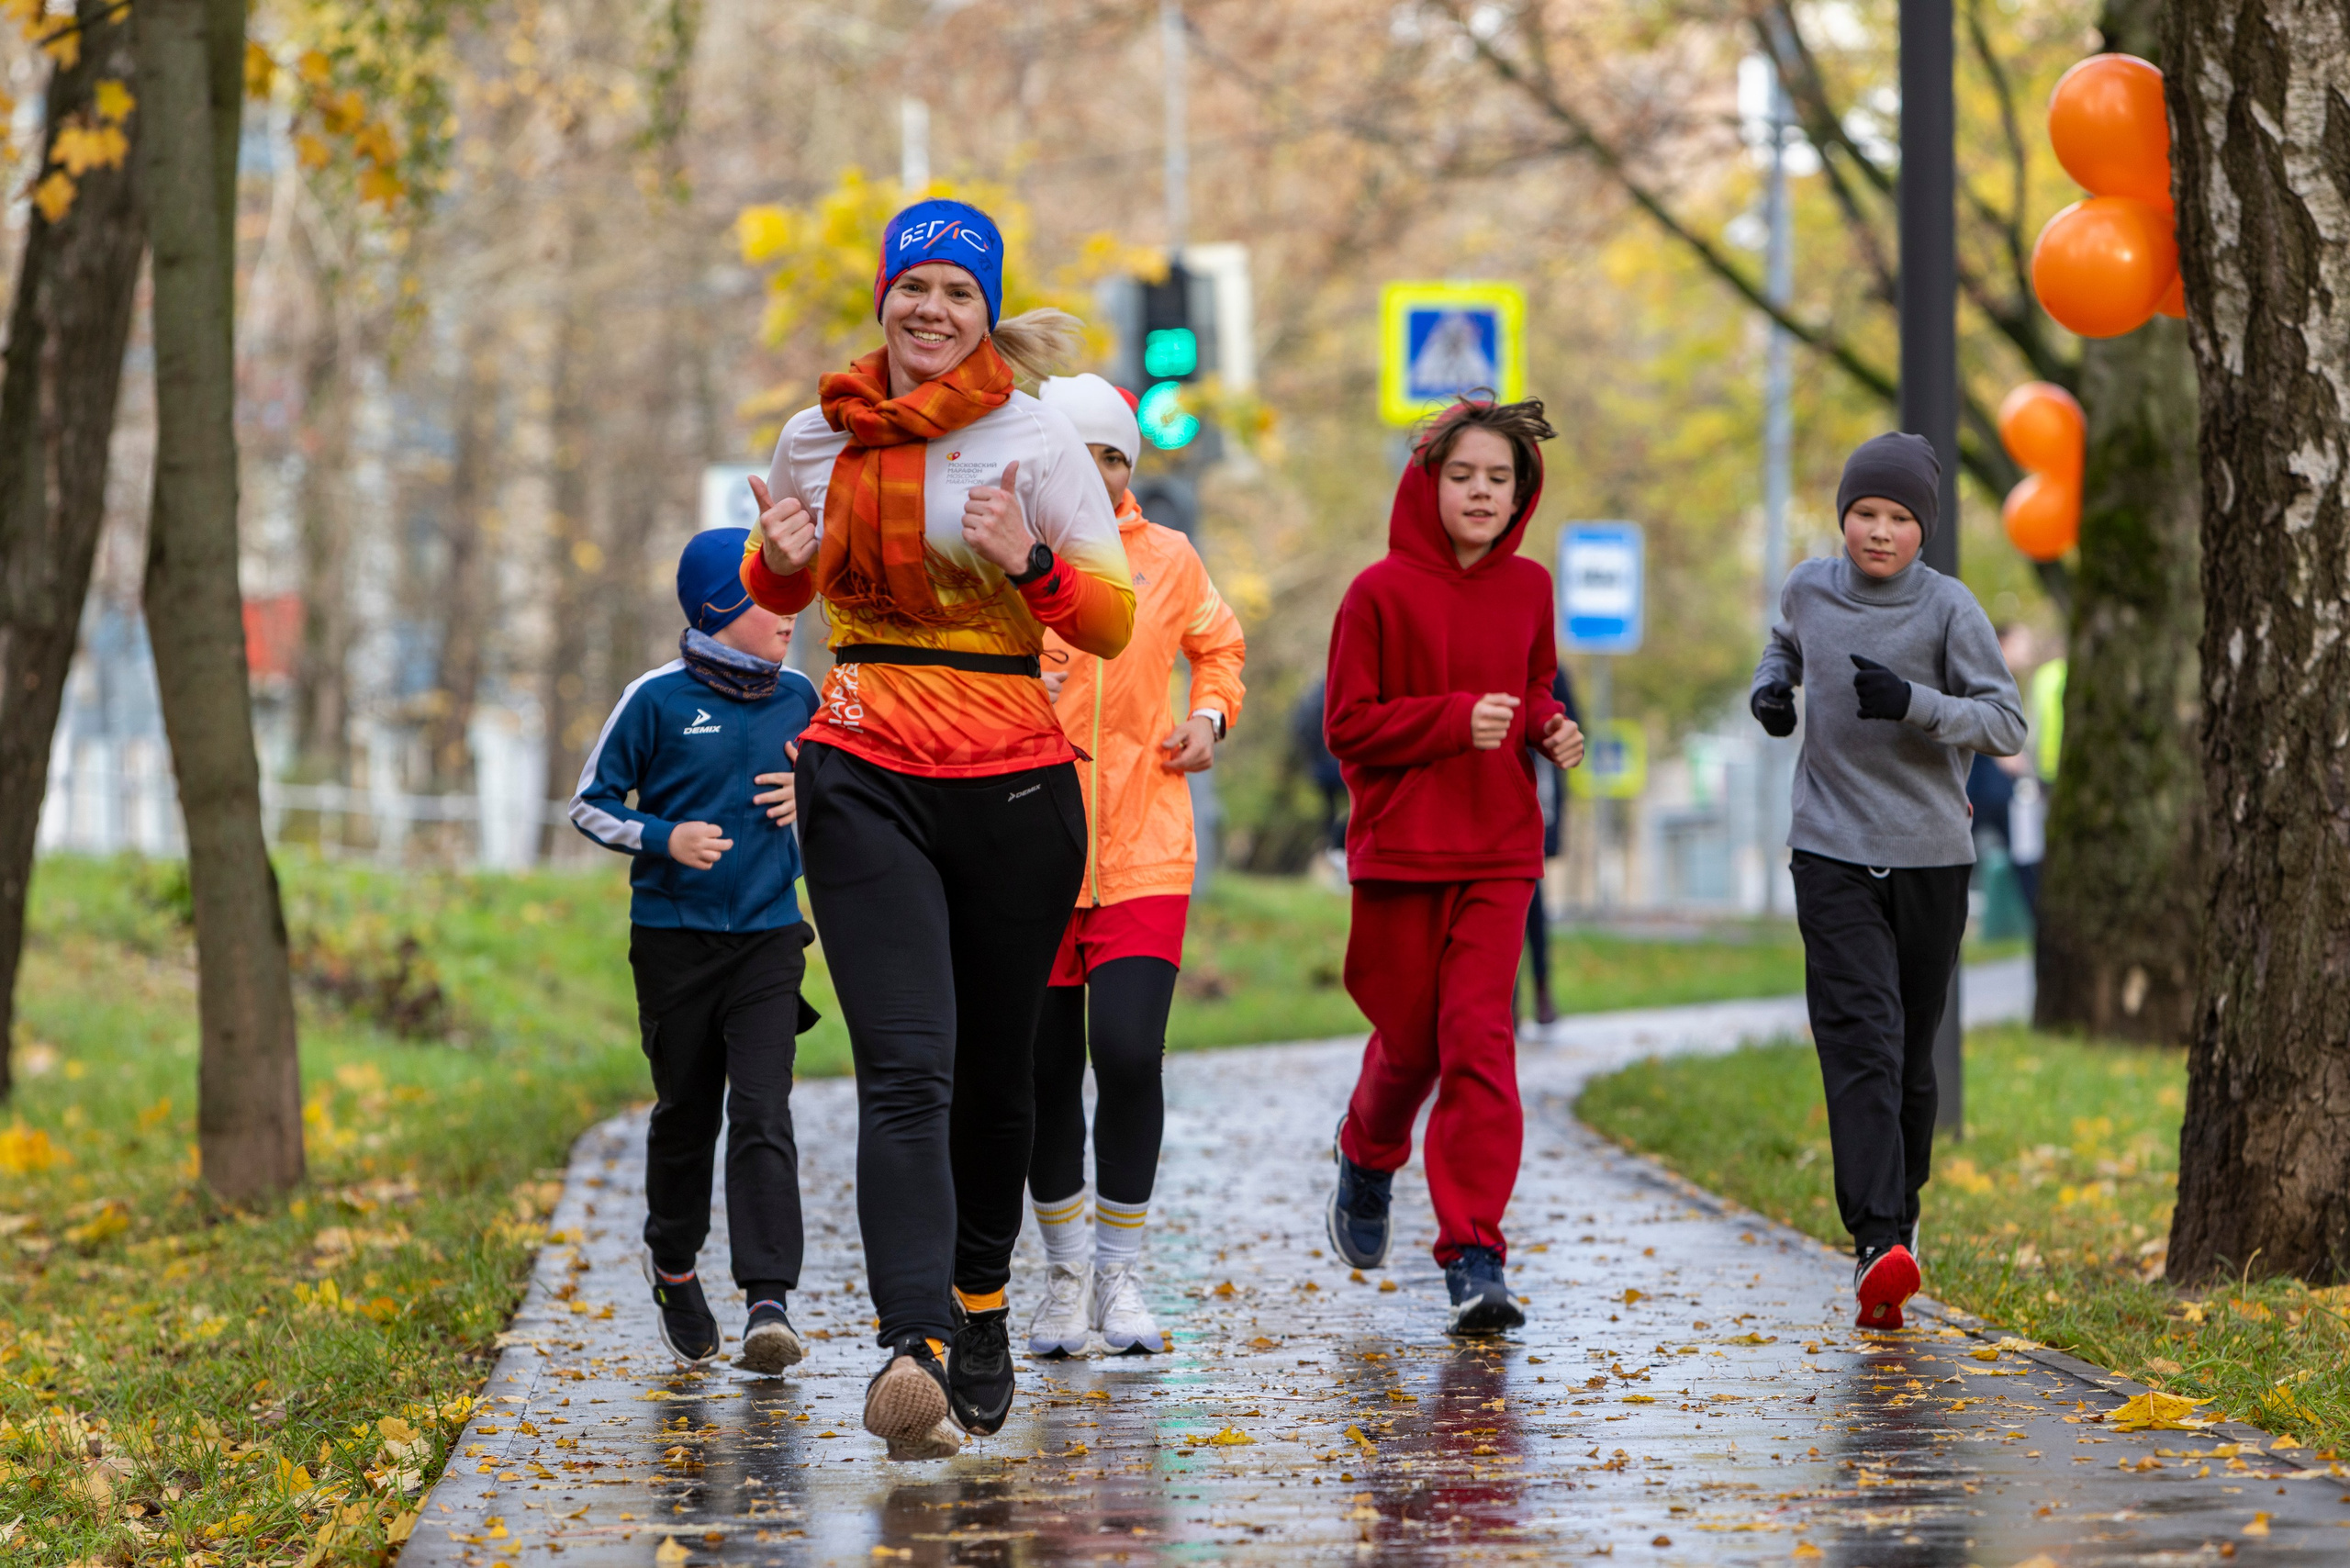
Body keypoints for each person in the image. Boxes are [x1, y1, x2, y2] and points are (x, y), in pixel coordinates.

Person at [737, 198, 1136, 1458]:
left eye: (958, 294)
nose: (931, 310)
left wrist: (1032, 564)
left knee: (998, 1075)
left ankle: (980, 1304)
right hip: (861, 770)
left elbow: (1113, 624)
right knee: (905, 1063)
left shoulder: (1037, 437)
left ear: (986, 313)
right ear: (883, 297)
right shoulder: (820, 438)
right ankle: (906, 1345)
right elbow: (779, 593)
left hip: (1015, 785)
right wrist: (775, 561)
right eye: (913, 286)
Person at [1748, 432, 2025, 1329]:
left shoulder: (1950, 611)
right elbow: (1783, 643)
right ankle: (1873, 1237)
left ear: (1922, 529)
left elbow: (2005, 723)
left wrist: (1913, 705)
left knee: (1909, 1060)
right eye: (1864, 513)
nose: (1878, 531)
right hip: (1829, 847)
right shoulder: (1807, 588)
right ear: (1842, 517)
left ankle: (1898, 1227)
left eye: (1898, 518)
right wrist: (1772, 690)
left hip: (1930, 856)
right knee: (1859, 1038)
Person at [1320, 398, 1585, 1335]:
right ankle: (1367, 1147)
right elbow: (1345, 725)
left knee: (1479, 1041)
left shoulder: (1530, 587)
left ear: (1522, 492)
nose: (1481, 493)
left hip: (1498, 847)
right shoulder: (1375, 594)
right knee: (1411, 1044)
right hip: (1399, 849)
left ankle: (1475, 1251)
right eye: (1464, 475)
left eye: (1499, 479)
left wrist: (1546, 724)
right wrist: (1447, 720)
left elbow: (1534, 679)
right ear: (1429, 481)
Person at [1023, 373, 1247, 1360]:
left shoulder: (1169, 558)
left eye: (1113, 455)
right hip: (1028, 848)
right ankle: (1063, 1278)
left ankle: (1119, 1277)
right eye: (1080, 453)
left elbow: (1221, 647)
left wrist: (1207, 717)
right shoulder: (1010, 559)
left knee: (1124, 1054)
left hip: (1147, 844)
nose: (1100, 471)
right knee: (1042, 1072)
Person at [568, 526, 822, 1375]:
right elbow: (590, 804)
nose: (791, 612)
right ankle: (673, 1266)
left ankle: (767, 1301)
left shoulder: (801, 696)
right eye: (769, 594)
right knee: (687, 1113)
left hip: (768, 940)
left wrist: (812, 792)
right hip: (674, 943)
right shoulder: (655, 698)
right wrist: (663, 838)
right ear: (719, 607)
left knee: (762, 1111)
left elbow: (852, 797)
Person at [1522, 667, 1581, 1025]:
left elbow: (1572, 727)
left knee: (1530, 901)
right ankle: (1508, 1000)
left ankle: (1541, 988)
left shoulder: (1551, 671)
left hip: (1536, 802)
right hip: (1491, 803)